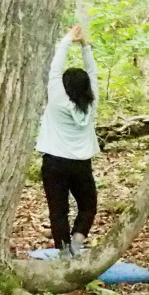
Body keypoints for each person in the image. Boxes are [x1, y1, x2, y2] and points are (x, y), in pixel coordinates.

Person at [36, 25, 100, 258]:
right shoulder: (91, 105)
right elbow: (92, 73)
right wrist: (85, 46)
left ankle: (64, 253)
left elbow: (54, 70)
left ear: (64, 86)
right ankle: (76, 243)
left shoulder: (57, 101)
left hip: (54, 162)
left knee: (58, 211)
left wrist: (67, 40)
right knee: (88, 206)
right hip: (81, 164)